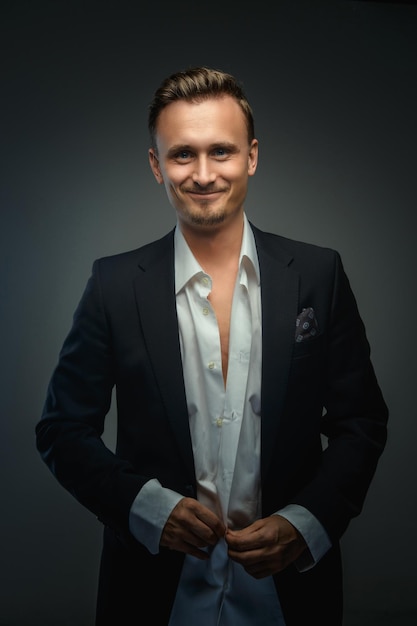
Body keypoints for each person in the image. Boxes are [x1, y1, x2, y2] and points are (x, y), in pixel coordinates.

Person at [36, 66, 388, 625]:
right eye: (182, 155)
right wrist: (145, 507)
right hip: (151, 593)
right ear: (156, 165)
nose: (203, 174)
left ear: (251, 156)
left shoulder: (318, 274)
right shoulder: (113, 284)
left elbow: (361, 421)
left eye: (221, 151)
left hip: (290, 594)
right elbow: (61, 429)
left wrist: (306, 522)